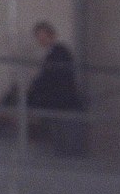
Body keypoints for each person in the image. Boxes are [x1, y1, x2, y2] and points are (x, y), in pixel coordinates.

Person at [25, 21, 88, 156]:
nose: (40, 40)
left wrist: (35, 88)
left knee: (67, 141)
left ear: (52, 35)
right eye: (38, 37)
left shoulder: (59, 53)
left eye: (43, 36)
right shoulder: (55, 53)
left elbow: (50, 77)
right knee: (61, 140)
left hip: (64, 103)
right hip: (60, 103)